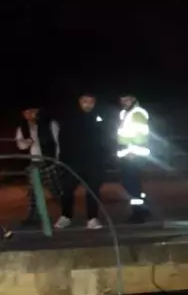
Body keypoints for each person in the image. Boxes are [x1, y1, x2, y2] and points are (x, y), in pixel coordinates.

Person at [57, 93, 107, 230]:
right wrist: (63, 160)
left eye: (91, 102)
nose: (88, 104)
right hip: (73, 161)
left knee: (93, 190)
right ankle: (65, 216)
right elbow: (63, 140)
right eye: (85, 101)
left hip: (94, 162)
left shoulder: (99, 117)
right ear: (79, 101)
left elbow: (106, 139)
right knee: (67, 189)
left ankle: (92, 218)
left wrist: (104, 159)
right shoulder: (69, 118)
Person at [14, 105, 62, 226]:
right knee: (34, 192)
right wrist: (26, 142)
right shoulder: (22, 128)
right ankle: (33, 217)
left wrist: (57, 161)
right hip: (34, 162)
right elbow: (21, 146)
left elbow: (57, 143)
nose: (30, 115)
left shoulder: (50, 124)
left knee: (56, 190)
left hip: (49, 161)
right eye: (26, 113)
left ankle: (66, 212)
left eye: (33, 112)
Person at [115, 93, 151, 223]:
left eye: (128, 99)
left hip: (134, 153)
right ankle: (143, 207)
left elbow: (140, 134)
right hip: (128, 153)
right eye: (122, 99)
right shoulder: (125, 113)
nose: (125, 101)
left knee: (131, 183)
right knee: (132, 183)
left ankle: (139, 213)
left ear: (134, 99)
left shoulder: (137, 113)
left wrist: (131, 152)